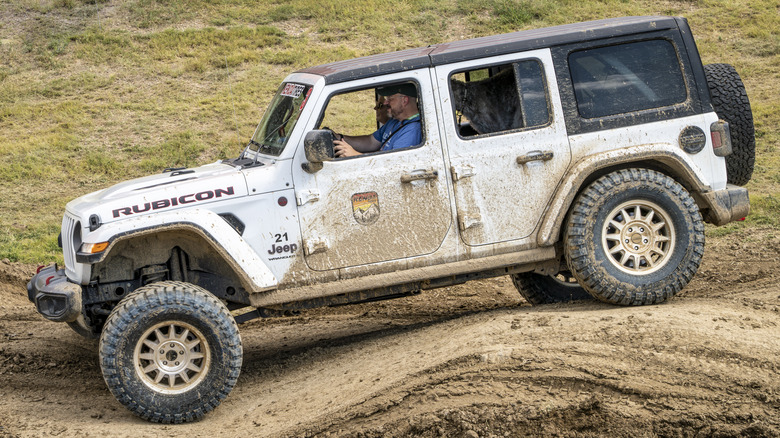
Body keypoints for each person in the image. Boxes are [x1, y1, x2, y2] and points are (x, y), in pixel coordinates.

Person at [332, 83, 422, 158]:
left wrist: (354, 155)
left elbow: (393, 165)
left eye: (390, 98)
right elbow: (371, 142)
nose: (385, 102)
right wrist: (339, 137)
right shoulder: (395, 121)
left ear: (404, 101)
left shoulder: (413, 130)